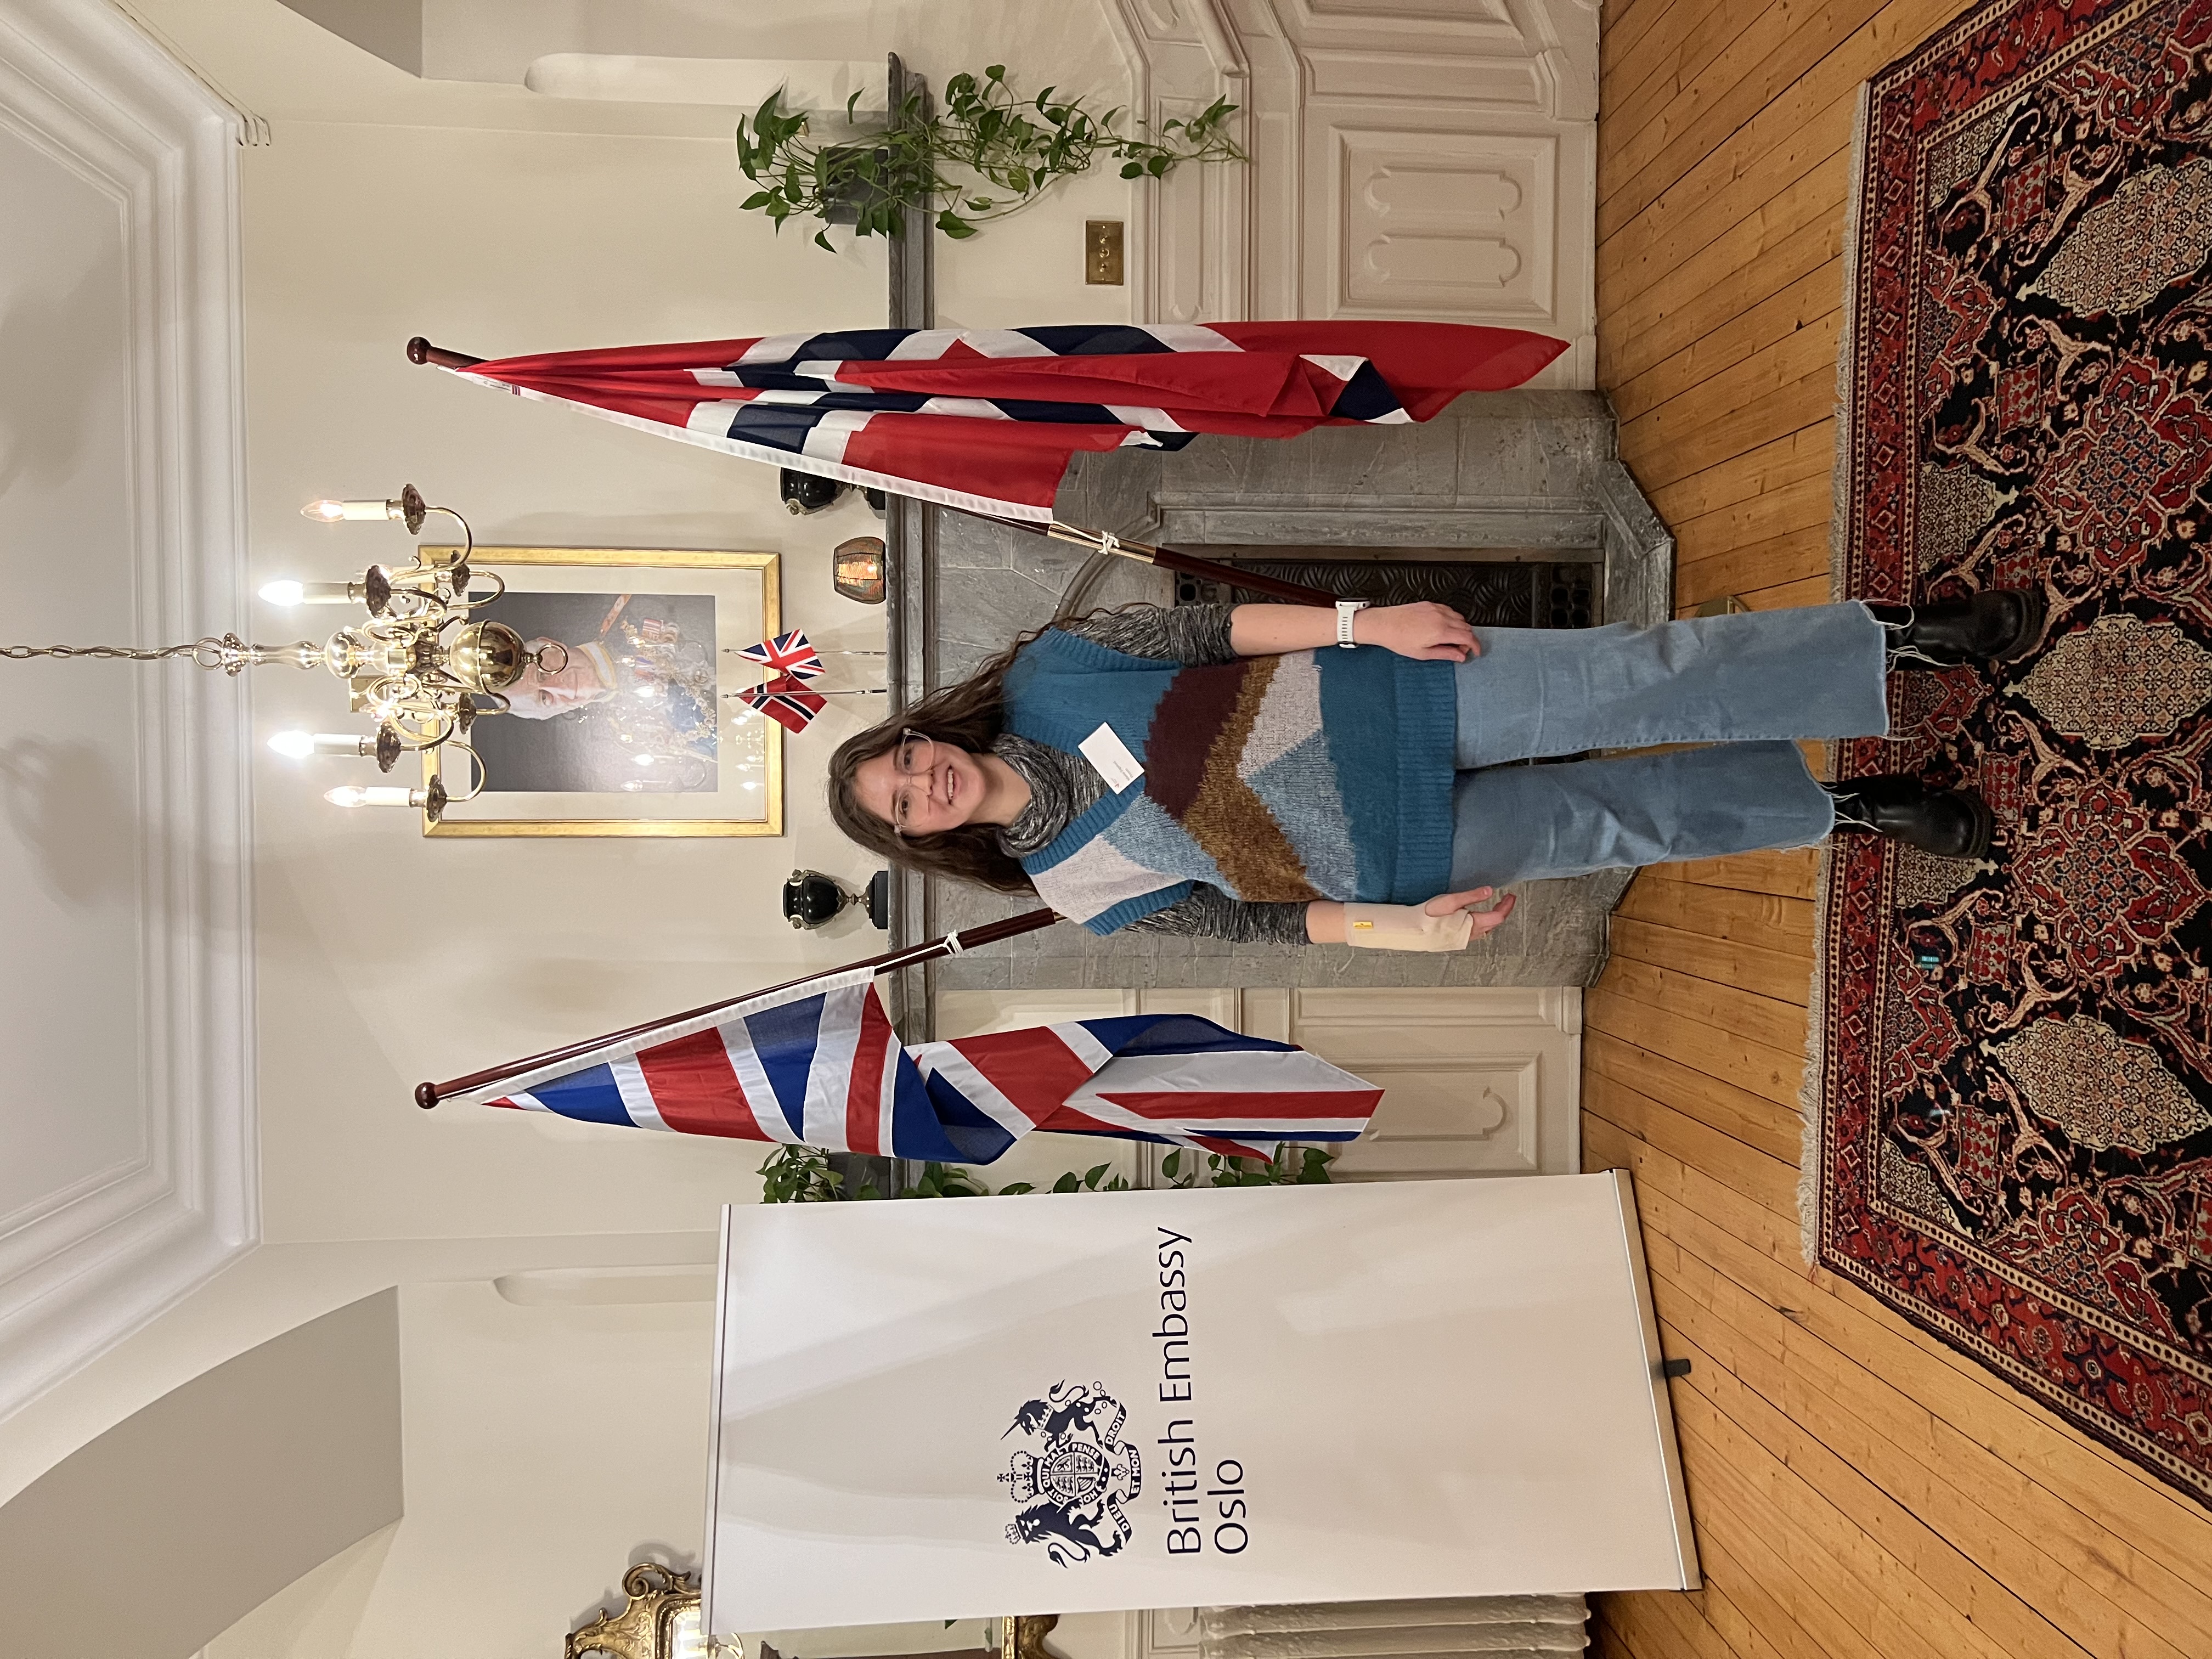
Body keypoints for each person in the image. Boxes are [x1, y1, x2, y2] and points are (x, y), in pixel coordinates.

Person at [825, 592, 2044, 950]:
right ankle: (1847, 809)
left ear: (924, 735)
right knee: (1622, 823)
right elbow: (1251, 926)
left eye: (905, 759)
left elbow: (1213, 634)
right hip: (1397, 857)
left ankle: (1889, 643)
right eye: (900, 804)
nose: (921, 782)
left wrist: (1367, 621)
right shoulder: (1077, 894)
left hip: (1402, 689)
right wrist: (1397, 933)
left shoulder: (1053, 670)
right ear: (918, 836)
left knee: (1640, 676)